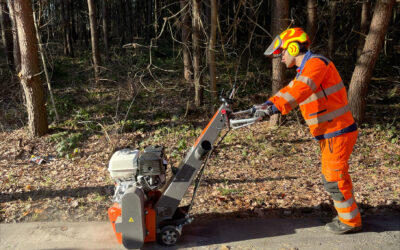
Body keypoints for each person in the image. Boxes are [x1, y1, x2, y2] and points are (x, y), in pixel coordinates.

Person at [257, 27, 362, 234]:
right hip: (330, 132)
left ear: (294, 47)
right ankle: (348, 216)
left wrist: (273, 108)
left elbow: (300, 91)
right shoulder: (306, 69)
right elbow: (289, 89)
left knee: (334, 177)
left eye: (283, 52)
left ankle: (350, 222)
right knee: (334, 176)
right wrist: (267, 104)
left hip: (337, 131)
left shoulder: (316, 64)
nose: (281, 58)